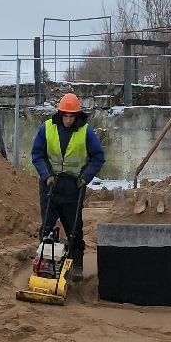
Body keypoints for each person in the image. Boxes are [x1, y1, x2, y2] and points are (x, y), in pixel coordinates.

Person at [30, 93, 105, 279]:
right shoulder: (47, 128)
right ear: (60, 114)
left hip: (73, 186)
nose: (68, 120)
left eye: (72, 116)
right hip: (51, 185)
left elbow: (98, 157)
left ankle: (76, 264)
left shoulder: (86, 132)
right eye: (65, 116)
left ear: (77, 115)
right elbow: (37, 154)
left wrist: (85, 177)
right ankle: (45, 263)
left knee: (74, 229)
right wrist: (46, 175)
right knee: (47, 228)